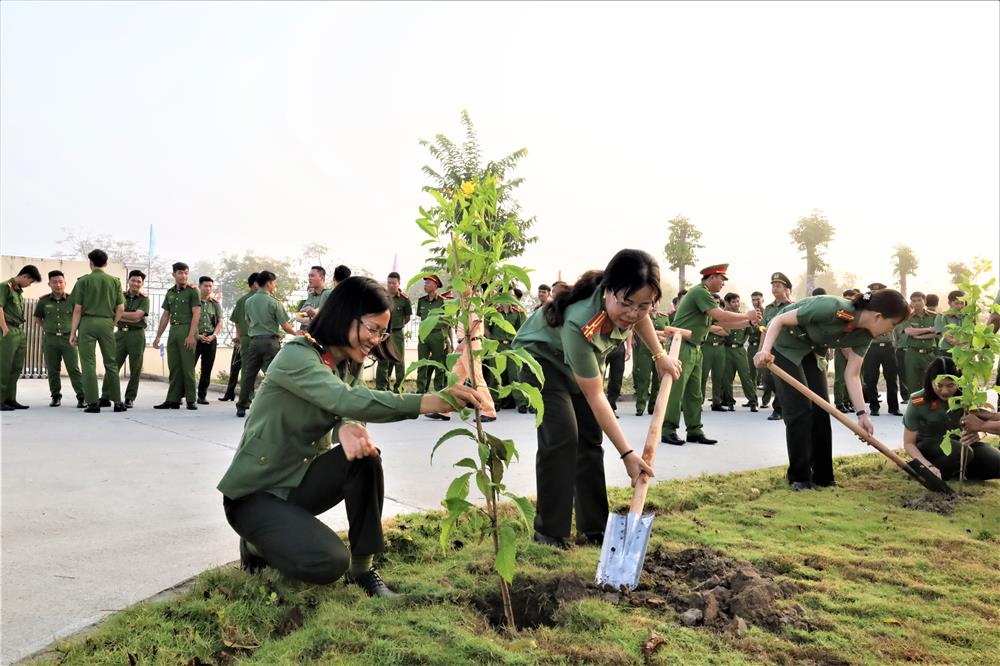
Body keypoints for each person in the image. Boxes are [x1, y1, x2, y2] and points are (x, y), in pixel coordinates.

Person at [217, 277, 488, 596]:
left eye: (382, 332)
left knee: (366, 457)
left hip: (299, 481)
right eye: (372, 329)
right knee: (329, 563)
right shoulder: (296, 357)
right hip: (255, 494)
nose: (376, 339)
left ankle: (362, 570)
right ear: (346, 316)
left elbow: (349, 401)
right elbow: (344, 398)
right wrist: (433, 400)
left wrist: (348, 423)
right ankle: (256, 545)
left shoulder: (346, 363)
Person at [513, 249, 683, 548]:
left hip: (573, 364)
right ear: (608, 292)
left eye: (644, 305)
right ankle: (550, 531)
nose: (633, 313)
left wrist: (659, 356)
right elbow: (595, 395)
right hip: (540, 362)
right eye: (626, 303)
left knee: (590, 438)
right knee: (564, 436)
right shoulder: (580, 321)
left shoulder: (628, 304)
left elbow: (638, 320)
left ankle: (594, 528)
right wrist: (629, 454)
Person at [754, 289, 910, 490]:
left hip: (811, 350)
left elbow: (852, 374)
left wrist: (863, 415)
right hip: (783, 345)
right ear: (878, 316)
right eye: (893, 324)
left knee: (822, 410)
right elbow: (778, 320)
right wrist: (764, 350)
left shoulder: (864, 336)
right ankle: (799, 477)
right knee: (800, 409)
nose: (891, 330)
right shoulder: (831, 307)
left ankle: (823, 476)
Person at [660, 264, 762, 446]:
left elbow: (725, 323)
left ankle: (694, 431)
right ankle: (668, 430)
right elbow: (721, 316)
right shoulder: (700, 293)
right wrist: (747, 315)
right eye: (722, 279)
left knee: (695, 393)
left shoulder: (705, 297)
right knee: (677, 391)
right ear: (712, 277)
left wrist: (749, 322)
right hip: (681, 346)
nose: (723, 284)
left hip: (695, 347)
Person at [903, 358, 1000, 481]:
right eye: (939, 385)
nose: (944, 391)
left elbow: (980, 423)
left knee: (995, 463)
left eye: (950, 385)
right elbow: (908, 443)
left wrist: (979, 434)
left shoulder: (967, 398)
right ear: (930, 382)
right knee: (961, 451)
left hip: (962, 445)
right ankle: (928, 472)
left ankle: (957, 472)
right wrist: (927, 465)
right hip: (929, 446)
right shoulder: (918, 401)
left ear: (959, 382)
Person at [236, 271, 303, 418]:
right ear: (268, 283)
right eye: (274, 282)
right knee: (273, 375)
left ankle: (241, 406)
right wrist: (295, 333)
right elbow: (285, 325)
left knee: (249, 374)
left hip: (254, 341)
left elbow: (248, 321)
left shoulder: (249, 301)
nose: (275, 285)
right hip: (270, 342)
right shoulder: (274, 302)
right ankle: (274, 406)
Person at [69, 250, 125, 413]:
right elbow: (120, 308)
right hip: (107, 322)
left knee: (88, 364)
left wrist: (73, 332)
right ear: (106, 264)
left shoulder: (83, 281)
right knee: (111, 363)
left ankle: (93, 403)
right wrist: (111, 323)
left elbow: (78, 309)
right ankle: (118, 403)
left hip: (87, 323)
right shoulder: (115, 281)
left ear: (90, 263)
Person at [152, 262, 202, 410]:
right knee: (174, 367)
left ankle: (191, 400)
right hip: (173, 331)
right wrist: (158, 336)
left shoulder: (193, 291)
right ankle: (173, 399)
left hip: (187, 330)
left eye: (186, 272)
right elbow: (166, 315)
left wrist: (192, 335)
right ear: (174, 274)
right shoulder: (170, 293)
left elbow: (196, 313)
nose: (183, 276)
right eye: (180, 273)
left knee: (187, 367)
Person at [33, 269, 84, 408]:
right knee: (53, 369)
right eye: (54, 282)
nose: (58, 285)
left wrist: (75, 333)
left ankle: (81, 397)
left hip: (69, 339)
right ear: (49, 284)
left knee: (74, 369)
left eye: (60, 282)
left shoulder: (72, 300)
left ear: (65, 283)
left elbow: (78, 316)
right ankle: (55, 397)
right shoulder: (43, 301)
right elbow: (37, 317)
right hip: (50, 340)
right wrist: (47, 327)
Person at [0, 265, 42, 410]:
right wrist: (4, 328)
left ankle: (10, 399)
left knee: (16, 367)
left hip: (18, 331)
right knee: (3, 366)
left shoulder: (17, 292)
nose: (29, 285)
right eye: (30, 282)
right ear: (24, 276)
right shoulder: (5, 286)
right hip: (8, 330)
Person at [860, 283, 901, 417]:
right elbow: (859, 302)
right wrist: (868, 295)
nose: (875, 293)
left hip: (888, 346)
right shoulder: (866, 305)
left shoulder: (890, 306)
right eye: (873, 291)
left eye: (879, 291)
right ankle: (874, 407)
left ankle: (894, 407)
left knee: (891, 378)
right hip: (871, 347)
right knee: (870, 378)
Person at [219, 273, 258, 402]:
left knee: (246, 370)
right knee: (268, 369)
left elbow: (236, 320)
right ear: (255, 284)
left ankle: (246, 398)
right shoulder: (264, 299)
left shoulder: (242, 300)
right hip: (260, 339)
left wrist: (239, 336)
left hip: (244, 339)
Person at [760, 273, 794, 421]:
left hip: (787, 349)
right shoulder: (768, 308)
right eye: (773, 286)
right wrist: (761, 349)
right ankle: (784, 405)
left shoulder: (793, 306)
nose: (774, 288)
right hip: (771, 349)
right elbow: (763, 330)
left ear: (786, 289)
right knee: (768, 380)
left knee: (782, 379)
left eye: (778, 286)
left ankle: (779, 409)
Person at [416, 274, 451, 418]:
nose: (426, 285)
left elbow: (447, 322)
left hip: (438, 335)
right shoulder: (421, 301)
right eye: (425, 283)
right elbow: (420, 318)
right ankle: (419, 395)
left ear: (436, 286)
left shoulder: (443, 302)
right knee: (421, 365)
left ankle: (439, 395)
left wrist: (450, 341)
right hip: (424, 336)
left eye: (429, 283)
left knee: (439, 366)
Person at [113, 270, 149, 408]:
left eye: (139, 281)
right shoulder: (119, 296)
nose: (136, 283)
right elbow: (112, 311)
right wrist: (130, 316)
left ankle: (129, 398)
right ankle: (106, 395)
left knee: (135, 368)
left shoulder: (144, 299)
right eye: (133, 280)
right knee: (113, 366)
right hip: (120, 334)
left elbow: (138, 316)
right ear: (128, 281)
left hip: (136, 335)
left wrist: (119, 315)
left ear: (142, 283)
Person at [374, 272, 412, 391]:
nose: (391, 285)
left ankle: (398, 387)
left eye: (394, 283)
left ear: (399, 283)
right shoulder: (381, 297)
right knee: (383, 360)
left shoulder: (404, 299)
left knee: (399, 361)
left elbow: (407, 317)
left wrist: (398, 325)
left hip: (397, 333)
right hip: (383, 333)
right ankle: (382, 387)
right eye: (389, 282)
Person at [722, 292, 758, 412]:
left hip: (740, 350)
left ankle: (753, 402)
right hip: (727, 349)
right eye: (733, 302)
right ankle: (730, 402)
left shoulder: (745, 316)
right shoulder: (725, 317)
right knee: (727, 377)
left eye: (738, 301)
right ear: (727, 303)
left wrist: (741, 342)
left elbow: (749, 332)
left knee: (746, 376)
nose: (736, 304)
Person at [632, 308, 670, 416]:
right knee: (643, 378)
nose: (654, 305)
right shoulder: (642, 316)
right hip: (645, 352)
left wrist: (658, 336)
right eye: (652, 302)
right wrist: (658, 335)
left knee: (657, 380)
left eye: (656, 301)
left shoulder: (664, 317)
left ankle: (653, 406)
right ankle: (640, 406)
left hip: (660, 352)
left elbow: (668, 334)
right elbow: (636, 329)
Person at [901, 292, 937, 404]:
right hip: (913, 354)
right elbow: (909, 331)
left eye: (919, 300)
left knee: (931, 381)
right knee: (913, 383)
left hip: (929, 354)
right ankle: (917, 406)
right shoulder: (907, 317)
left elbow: (936, 332)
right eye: (913, 301)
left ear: (925, 301)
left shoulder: (934, 316)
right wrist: (929, 329)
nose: (916, 303)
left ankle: (931, 405)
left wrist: (919, 334)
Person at [194, 276, 224, 405]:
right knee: (189, 367)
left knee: (207, 368)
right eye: (205, 286)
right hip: (195, 338)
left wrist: (214, 335)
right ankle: (185, 393)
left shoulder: (215, 304)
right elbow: (190, 320)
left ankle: (202, 395)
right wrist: (196, 335)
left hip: (210, 339)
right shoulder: (194, 302)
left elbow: (220, 321)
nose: (208, 288)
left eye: (210, 286)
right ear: (199, 286)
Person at [700, 294, 729, 412]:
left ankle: (716, 402)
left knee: (718, 376)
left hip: (719, 349)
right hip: (706, 347)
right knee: (702, 376)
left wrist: (710, 328)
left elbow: (726, 332)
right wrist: (717, 328)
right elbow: (702, 328)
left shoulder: (723, 316)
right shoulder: (704, 315)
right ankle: (699, 402)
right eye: (713, 302)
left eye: (717, 303)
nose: (715, 305)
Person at [833, 289, 859, 413]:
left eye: (851, 299)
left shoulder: (857, 312)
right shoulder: (842, 313)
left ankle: (848, 401)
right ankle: (839, 402)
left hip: (854, 348)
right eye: (847, 299)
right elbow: (839, 332)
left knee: (852, 375)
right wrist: (845, 349)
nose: (849, 301)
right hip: (842, 347)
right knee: (840, 377)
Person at [934, 290, 965, 355]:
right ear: (949, 303)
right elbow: (948, 338)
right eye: (956, 303)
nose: (959, 306)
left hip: (965, 352)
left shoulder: (967, 317)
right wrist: (965, 342)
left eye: (962, 303)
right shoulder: (941, 317)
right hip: (947, 352)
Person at [746, 291, 764, 391]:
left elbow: (767, 329)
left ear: (762, 300)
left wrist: (760, 326)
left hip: (763, 346)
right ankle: (753, 399)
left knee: (763, 372)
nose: (756, 302)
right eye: (753, 300)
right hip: (752, 346)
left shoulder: (767, 313)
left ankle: (765, 401)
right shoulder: (750, 314)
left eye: (758, 299)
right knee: (751, 372)